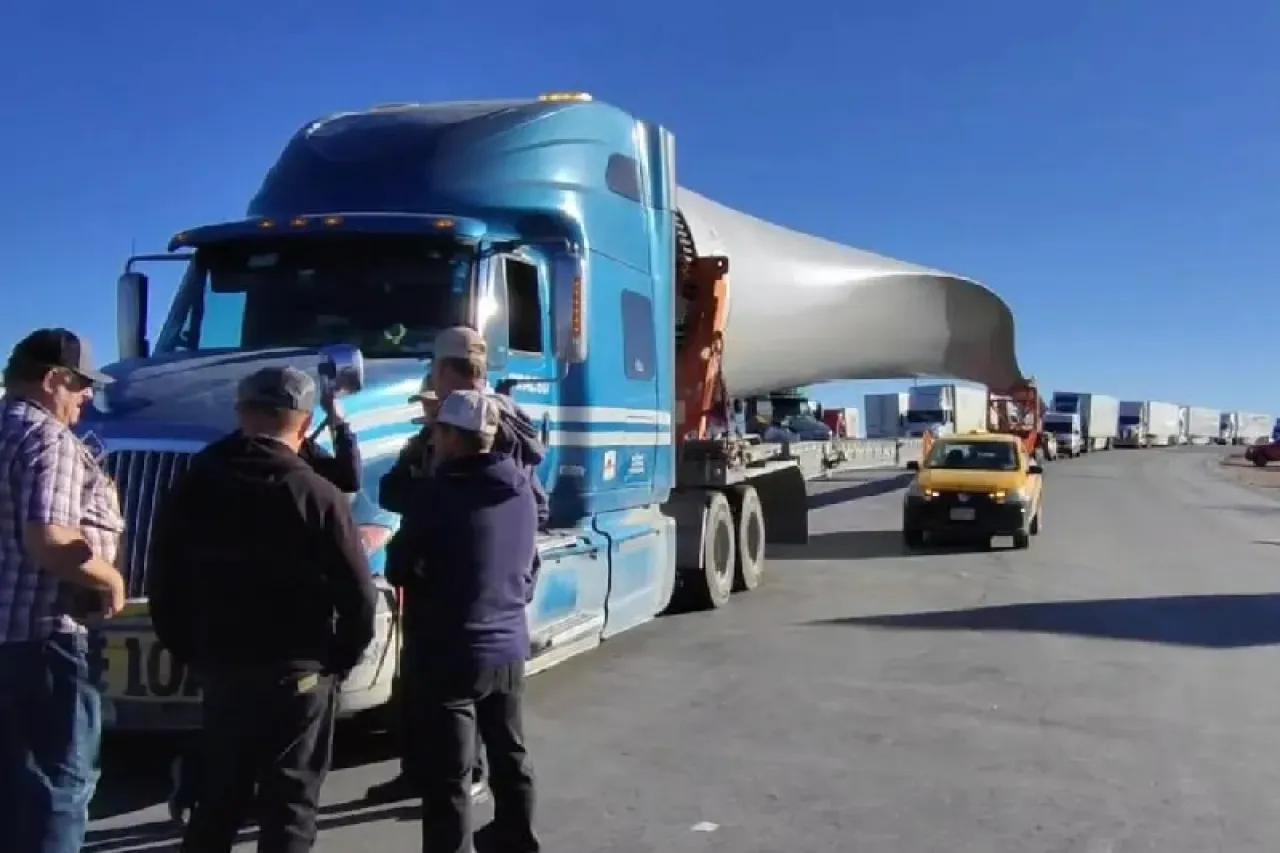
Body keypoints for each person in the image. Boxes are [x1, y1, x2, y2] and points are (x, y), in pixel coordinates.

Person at [148, 366, 377, 853]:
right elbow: (358, 593)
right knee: (290, 804)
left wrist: (188, 648)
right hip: (299, 672)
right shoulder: (317, 494)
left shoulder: (196, 484)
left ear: (240, 411)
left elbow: (163, 575)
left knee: (218, 799)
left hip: (222, 666)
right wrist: (339, 659)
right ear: (303, 421)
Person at [368, 326, 548, 805]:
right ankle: (429, 773)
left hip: (457, 593)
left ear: (446, 369)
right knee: (493, 720)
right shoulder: (501, 425)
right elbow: (530, 504)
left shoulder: (480, 427)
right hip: (490, 592)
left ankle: (459, 778)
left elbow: (404, 493)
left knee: (464, 708)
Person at [387, 389, 540, 852]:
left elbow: (398, 564)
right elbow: (528, 564)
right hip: (508, 643)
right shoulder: (522, 488)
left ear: (451, 436)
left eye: (438, 431)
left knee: (447, 776)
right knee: (509, 751)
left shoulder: (437, 494)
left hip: (449, 649)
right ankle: (516, 838)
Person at [0, 328, 127, 853]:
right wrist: (109, 577)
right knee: (58, 786)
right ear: (53, 379)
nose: (86, 397)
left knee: (10, 790)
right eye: (79, 385)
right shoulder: (47, 438)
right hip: (43, 639)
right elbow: (50, 539)